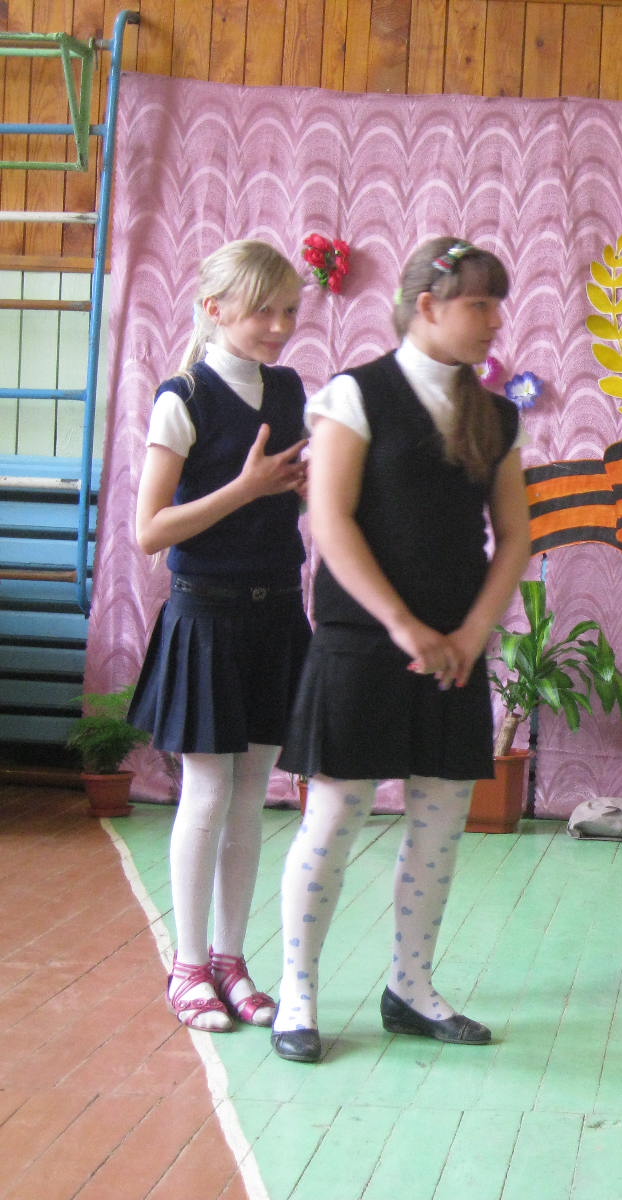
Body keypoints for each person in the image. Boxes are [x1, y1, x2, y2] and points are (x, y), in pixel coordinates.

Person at [271, 237, 531, 1064]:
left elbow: (514, 539)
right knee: (333, 818)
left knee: (440, 825)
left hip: (454, 649)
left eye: (497, 305)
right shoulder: (356, 394)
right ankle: (298, 994)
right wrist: (400, 624)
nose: (494, 321)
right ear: (427, 305)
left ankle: (411, 988)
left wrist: (471, 634)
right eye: (479, 304)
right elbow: (330, 518)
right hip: (360, 642)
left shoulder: (496, 414)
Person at [128, 239, 311, 1033]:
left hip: (277, 615)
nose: (280, 326)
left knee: (251, 793)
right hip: (205, 615)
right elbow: (150, 531)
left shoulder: (290, 389)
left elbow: (289, 500)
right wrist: (246, 488)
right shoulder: (184, 397)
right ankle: (188, 965)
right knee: (206, 792)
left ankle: (232, 961)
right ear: (214, 309)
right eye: (264, 311)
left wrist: (301, 489)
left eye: (290, 311)